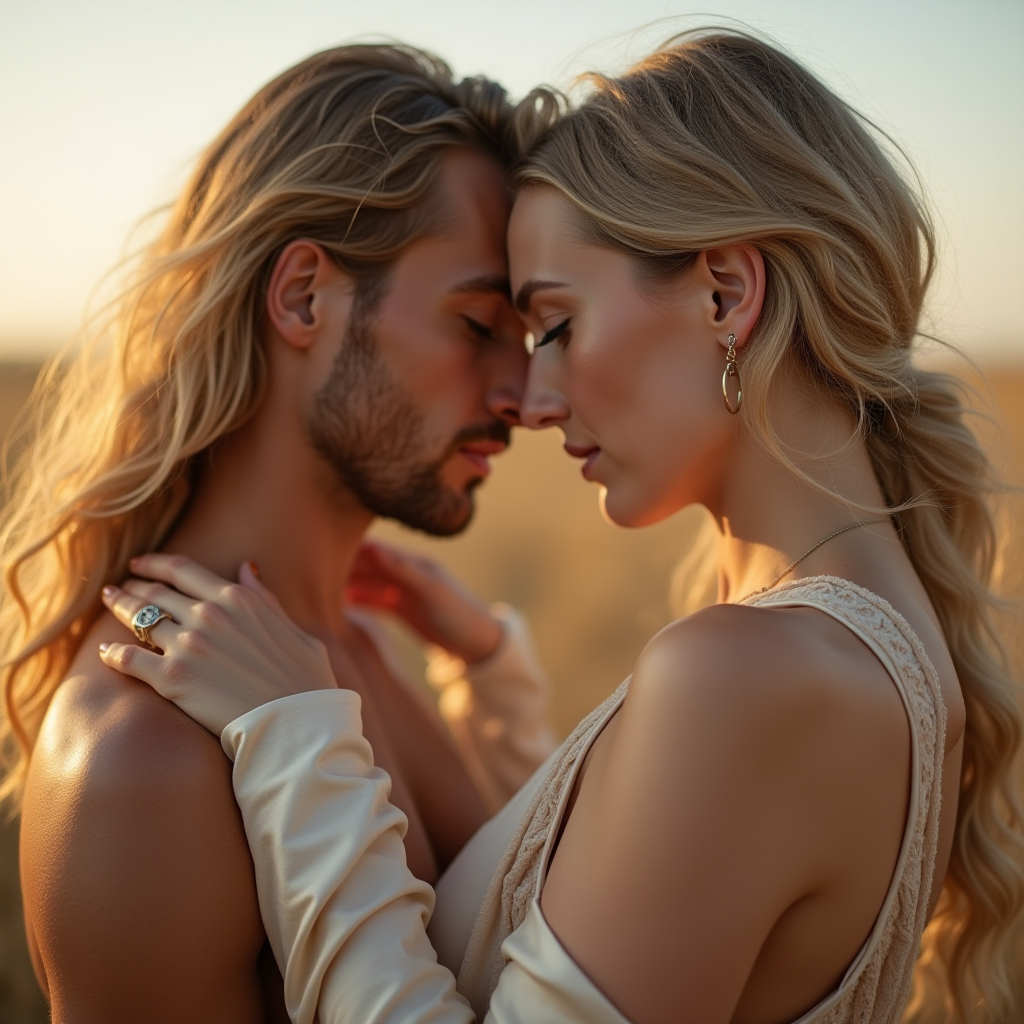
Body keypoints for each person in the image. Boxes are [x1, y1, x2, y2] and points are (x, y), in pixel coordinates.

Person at [97, 28, 1024, 1024]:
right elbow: (631, 910)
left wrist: (291, 744)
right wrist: (497, 694)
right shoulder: (877, 642)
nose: (531, 399)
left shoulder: (747, 675)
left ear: (726, 292)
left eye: (555, 325)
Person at [0, 45, 559, 1021]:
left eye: (529, 336)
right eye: (476, 325)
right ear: (304, 296)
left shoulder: (364, 658)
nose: (522, 395)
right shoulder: (145, 756)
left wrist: (493, 676)